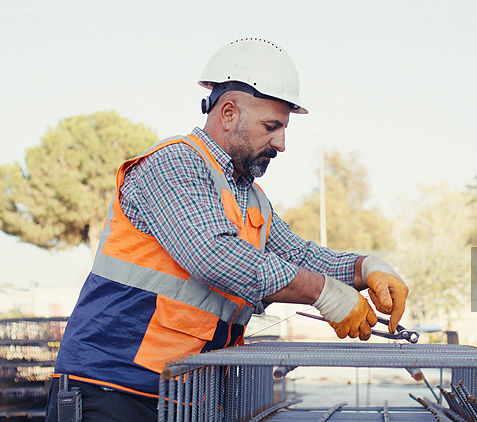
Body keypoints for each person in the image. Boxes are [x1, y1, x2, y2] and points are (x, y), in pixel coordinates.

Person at [44, 37, 409, 421]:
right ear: (230, 113)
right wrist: (324, 294)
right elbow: (213, 255)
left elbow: (300, 257)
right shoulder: (174, 165)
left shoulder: (249, 197)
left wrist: (366, 268)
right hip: (111, 390)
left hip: (178, 396)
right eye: (271, 127)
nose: (282, 143)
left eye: (283, 129)